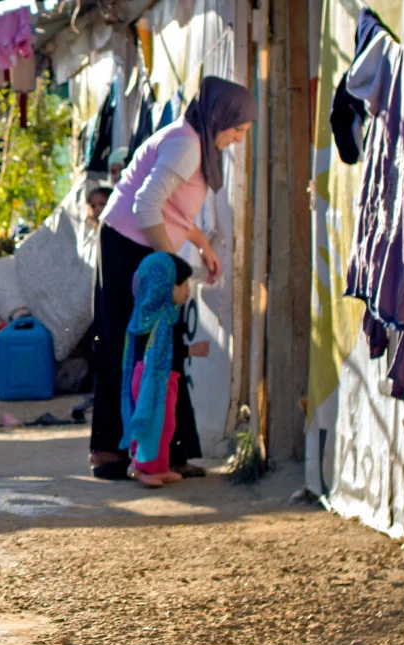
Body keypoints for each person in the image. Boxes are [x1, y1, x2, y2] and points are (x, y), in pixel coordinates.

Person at [91, 76, 256, 481]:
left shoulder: (193, 141)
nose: (237, 139)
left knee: (159, 348)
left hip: (134, 244)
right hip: (127, 246)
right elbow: (147, 205)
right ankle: (119, 452)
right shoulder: (186, 146)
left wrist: (201, 244)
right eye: (237, 129)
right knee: (134, 347)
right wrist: (173, 265)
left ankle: (163, 451)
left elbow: (174, 211)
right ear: (220, 118)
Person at [122, 253, 194, 488]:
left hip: (165, 380)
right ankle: (139, 466)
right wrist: (193, 350)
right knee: (149, 423)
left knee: (166, 425)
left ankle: (159, 467)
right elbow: (164, 351)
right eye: (182, 285)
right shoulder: (153, 318)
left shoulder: (169, 315)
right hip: (149, 381)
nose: (187, 291)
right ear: (163, 286)